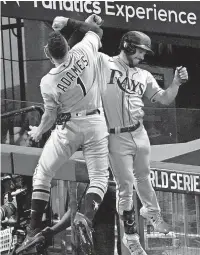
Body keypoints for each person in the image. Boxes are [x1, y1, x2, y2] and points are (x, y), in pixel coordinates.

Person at [57, 17, 189, 255]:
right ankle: (130, 236)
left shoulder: (143, 75)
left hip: (139, 133)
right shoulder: (102, 62)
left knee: (144, 178)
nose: (143, 56)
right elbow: (74, 52)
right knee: (125, 186)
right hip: (114, 136)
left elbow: (165, 98)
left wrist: (177, 83)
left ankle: (152, 212)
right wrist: (73, 24)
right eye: (140, 51)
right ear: (127, 46)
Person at [15, 15, 109, 254]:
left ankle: (33, 228)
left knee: (43, 173)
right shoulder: (84, 50)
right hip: (96, 121)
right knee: (99, 179)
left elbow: (49, 116)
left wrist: (38, 131)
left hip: (69, 128)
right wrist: (72, 23)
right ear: (68, 46)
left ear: (48, 54)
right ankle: (86, 218)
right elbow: (94, 30)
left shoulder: (48, 82)